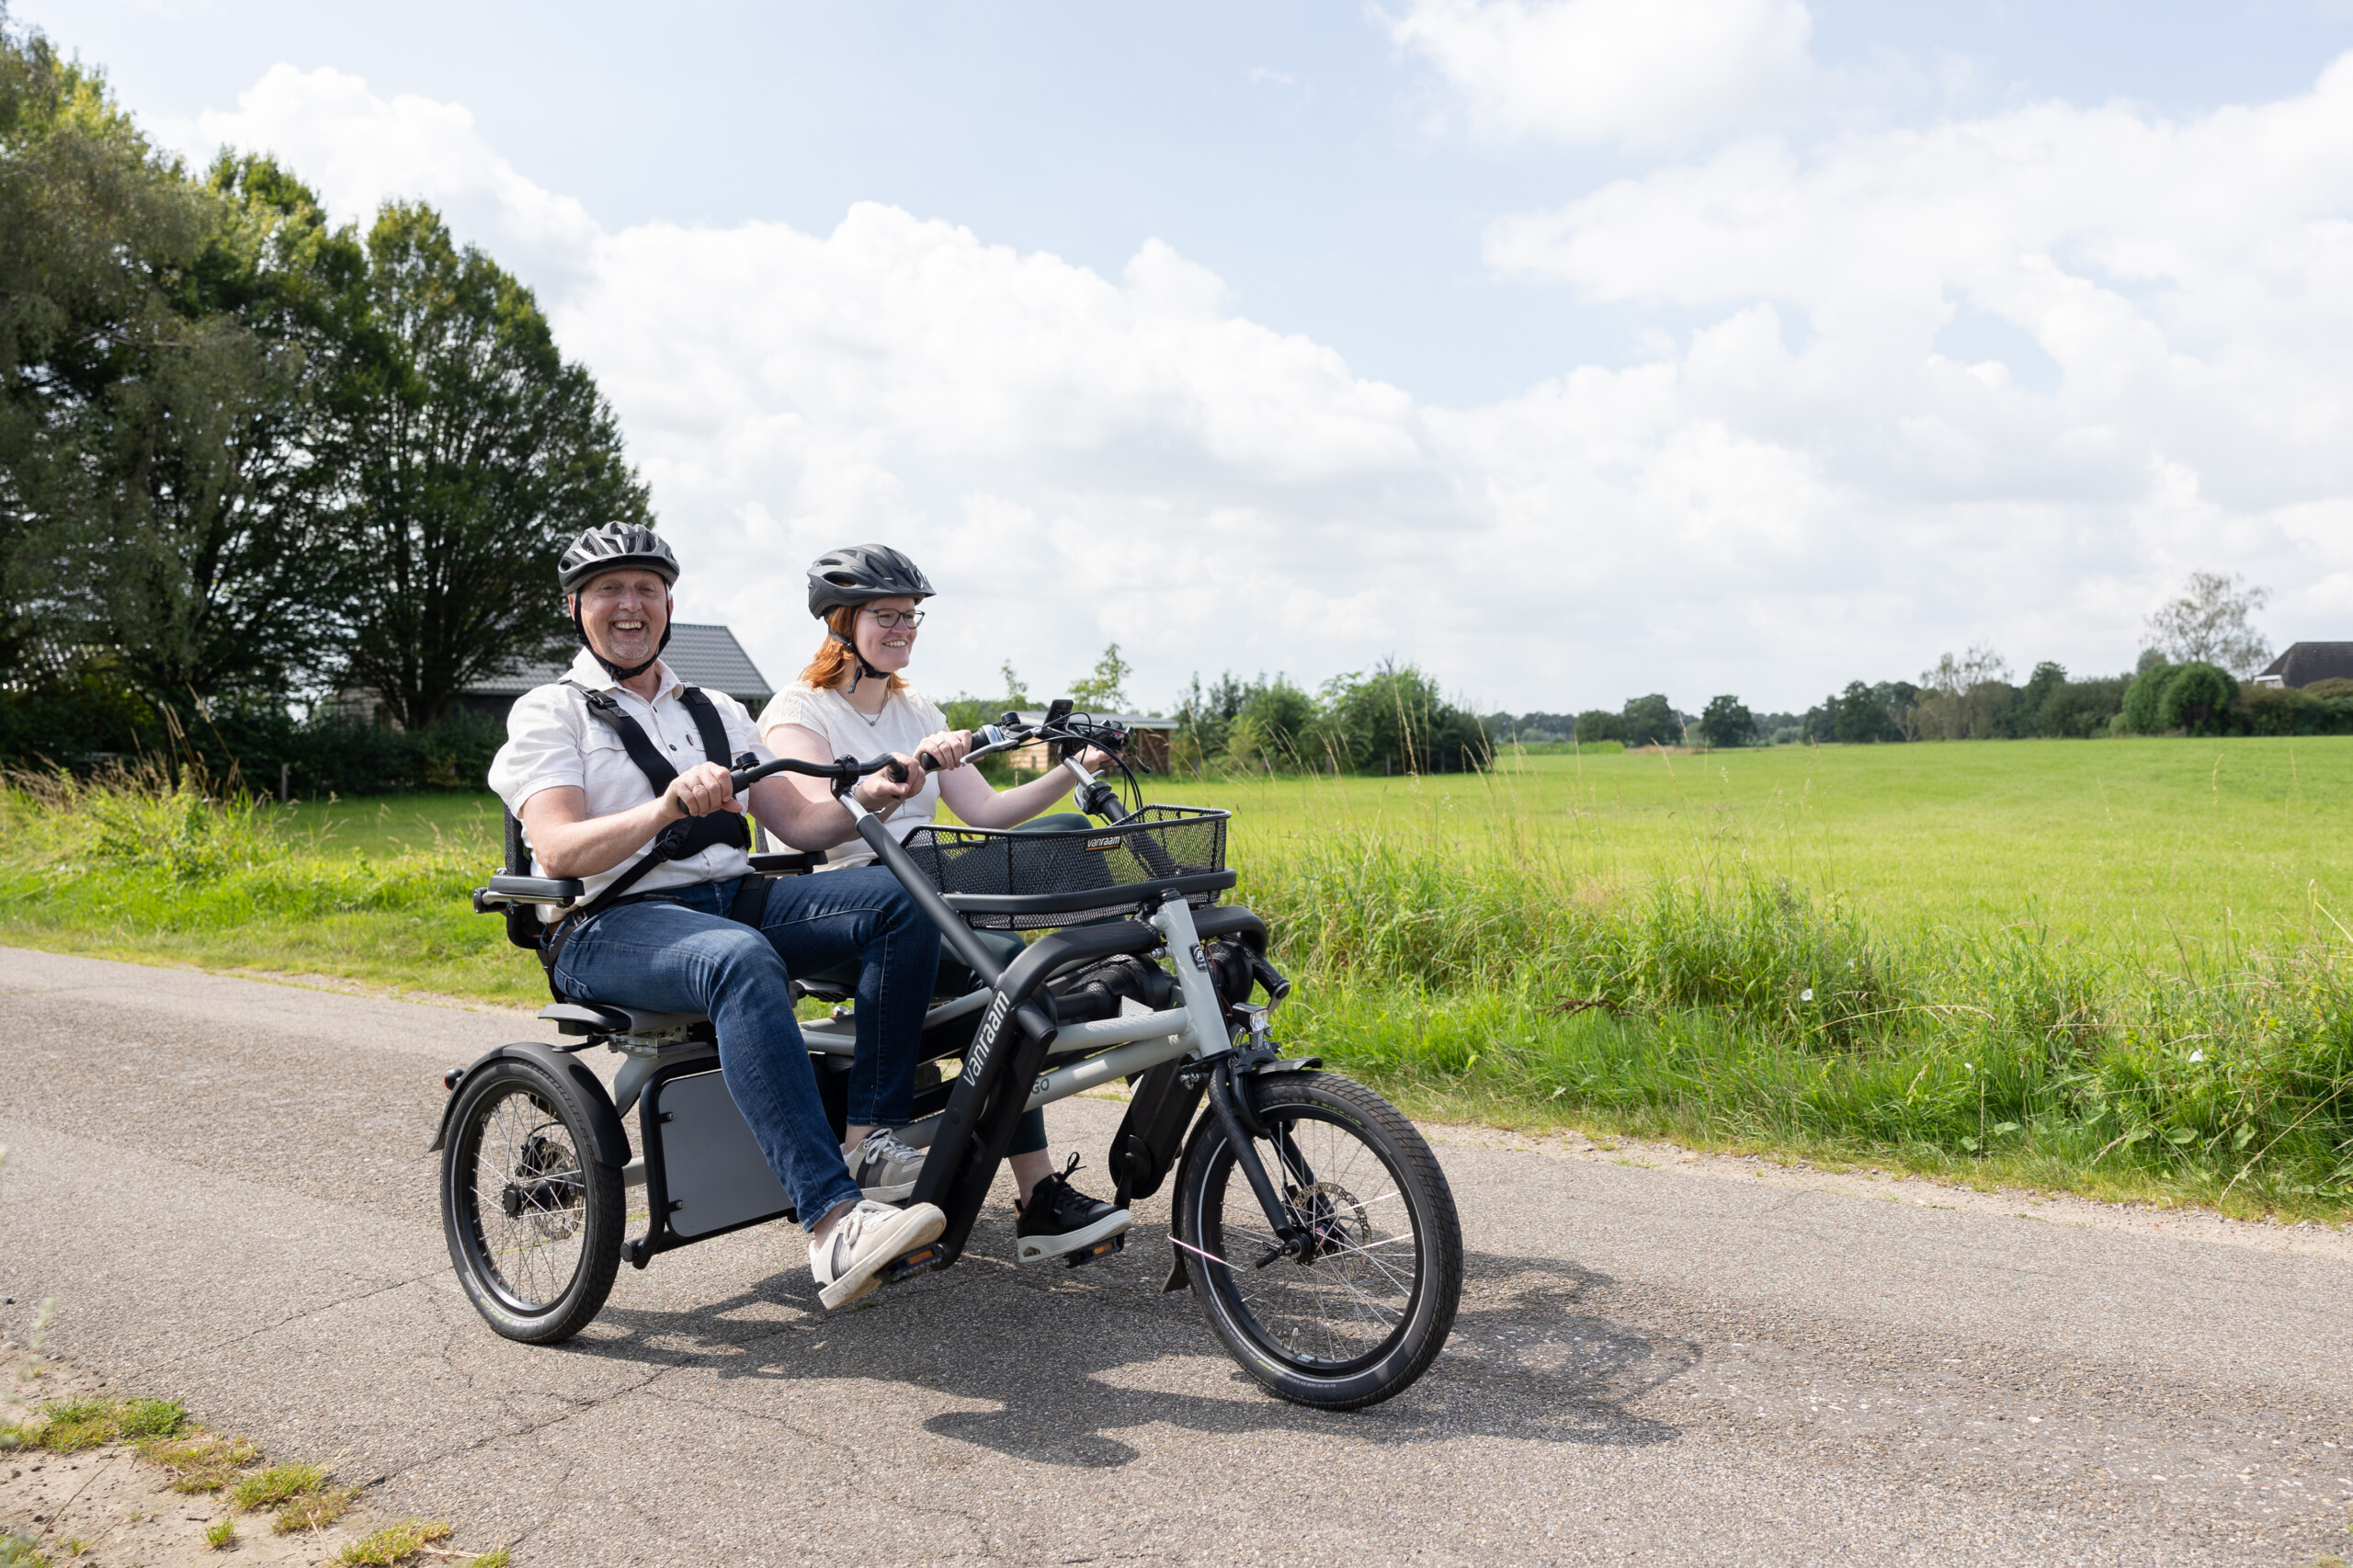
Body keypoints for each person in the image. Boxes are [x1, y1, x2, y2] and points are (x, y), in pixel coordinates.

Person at [486, 521, 945, 1311]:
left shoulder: (722, 712)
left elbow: (801, 827)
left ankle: (869, 1140)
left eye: (646, 590)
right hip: (608, 925)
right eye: (609, 591)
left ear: (668, 602)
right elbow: (558, 848)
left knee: (904, 898)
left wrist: (871, 796)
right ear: (575, 607)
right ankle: (832, 1223)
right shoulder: (549, 713)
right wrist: (664, 808)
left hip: (729, 899)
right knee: (738, 959)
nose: (630, 606)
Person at [757, 543, 1133, 1264]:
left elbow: (987, 814)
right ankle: (1035, 1193)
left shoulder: (915, 706)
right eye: (886, 616)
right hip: (851, 907)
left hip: (933, 887)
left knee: (1067, 831)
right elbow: (799, 822)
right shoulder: (798, 712)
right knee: (1003, 966)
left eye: (911, 618)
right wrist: (890, 781)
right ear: (840, 622)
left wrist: (1071, 771)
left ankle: (1115, 988)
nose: (902, 629)